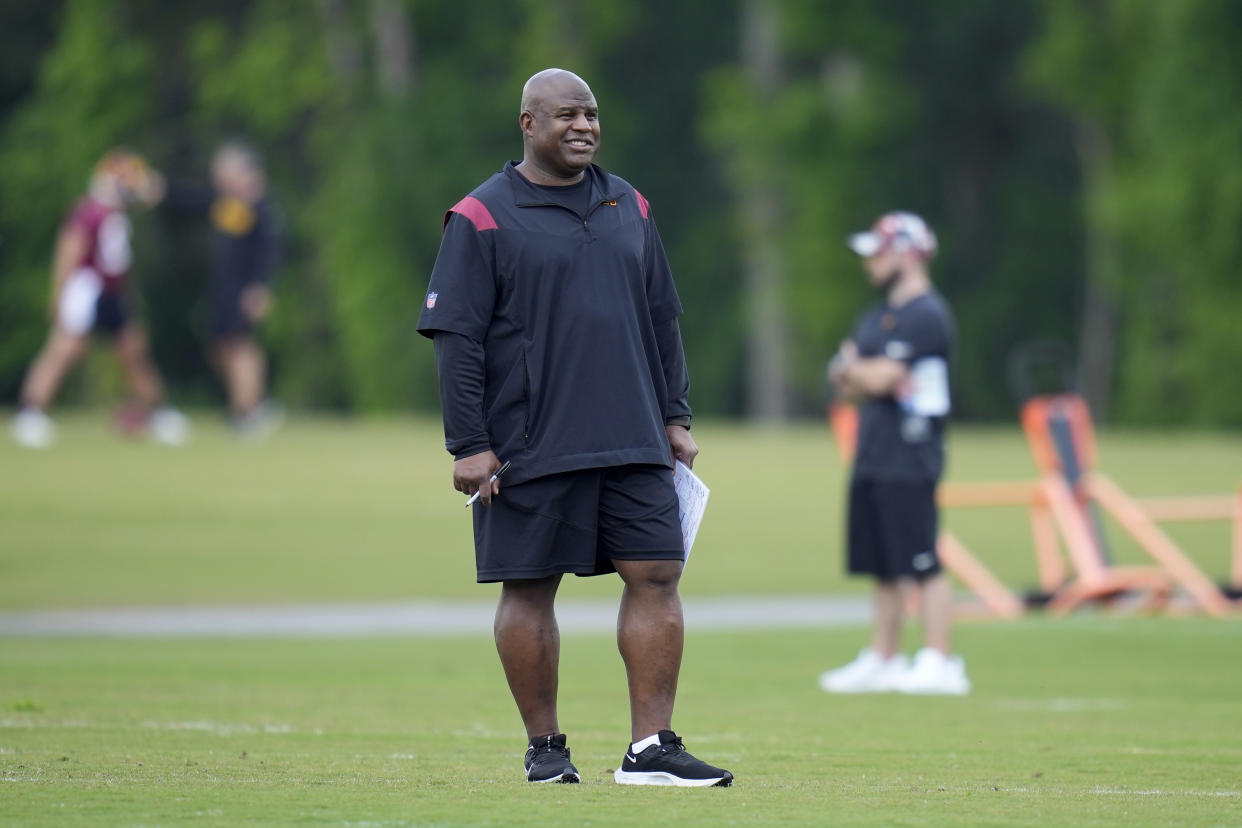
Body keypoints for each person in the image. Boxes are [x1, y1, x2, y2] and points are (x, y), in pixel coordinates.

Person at [417, 68, 733, 787]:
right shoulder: (480, 216)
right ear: (528, 124)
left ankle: (651, 749)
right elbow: (456, 339)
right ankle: (546, 750)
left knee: (657, 574)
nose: (583, 126)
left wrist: (675, 415)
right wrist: (468, 443)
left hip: (634, 436)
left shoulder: (631, 204)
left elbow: (662, 320)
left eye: (591, 114)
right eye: (566, 115)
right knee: (528, 589)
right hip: (531, 443)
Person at [819, 211, 970, 696]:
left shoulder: (928, 314)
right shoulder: (877, 317)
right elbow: (845, 377)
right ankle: (884, 658)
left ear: (906, 253)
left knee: (922, 558)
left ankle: (939, 660)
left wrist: (857, 369)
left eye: (878, 252)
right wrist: (862, 371)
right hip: (874, 449)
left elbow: (875, 377)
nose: (870, 263)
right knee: (883, 562)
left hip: (912, 450)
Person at [11, 149, 189, 449]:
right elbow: (69, 251)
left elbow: (151, 193)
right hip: (86, 288)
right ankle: (30, 412)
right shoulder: (89, 211)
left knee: (133, 352)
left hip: (113, 291)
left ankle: (158, 412)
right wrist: (59, 292)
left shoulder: (116, 212)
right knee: (66, 348)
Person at [160, 141, 281, 436]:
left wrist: (260, 287)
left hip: (245, 289)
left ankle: (247, 411)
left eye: (224, 171)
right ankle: (253, 404)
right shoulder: (229, 203)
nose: (218, 178)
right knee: (219, 346)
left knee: (241, 345)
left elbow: (271, 252)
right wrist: (157, 189)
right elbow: (190, 200)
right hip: (223, 289)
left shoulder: (261, 208)